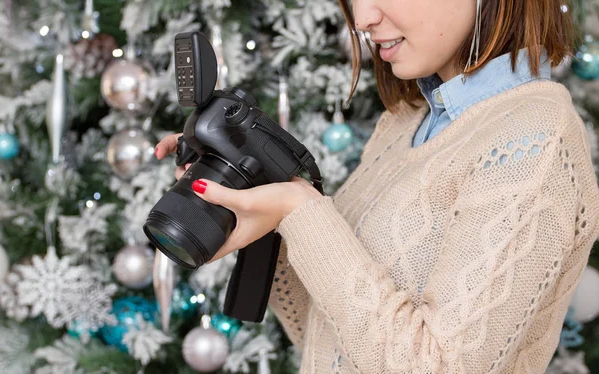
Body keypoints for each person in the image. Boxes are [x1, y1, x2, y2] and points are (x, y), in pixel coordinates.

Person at [155, 0, 599, 372]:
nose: (363, 18)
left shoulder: (532, 135)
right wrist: (262, 205)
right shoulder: (405, 122)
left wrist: (299, 209)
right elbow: (331, 340)